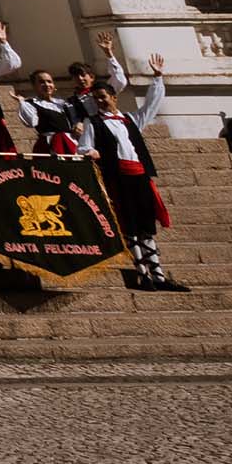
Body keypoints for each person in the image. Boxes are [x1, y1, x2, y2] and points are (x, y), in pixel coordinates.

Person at [86, 42, 184, 291]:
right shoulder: (93, 123)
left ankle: (159, 275)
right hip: (117, 177)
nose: (100, 101)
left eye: (103, 97)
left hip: (139, 175)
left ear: (113, 97)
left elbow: (151, 106)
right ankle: (143, 274)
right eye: (96, 98)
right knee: (129, 225)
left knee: (145, 225)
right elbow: (83, 147)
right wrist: (91, 151)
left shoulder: (130, 119)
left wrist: (157, 79)